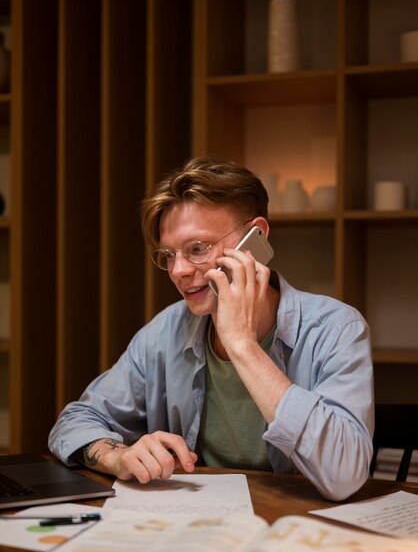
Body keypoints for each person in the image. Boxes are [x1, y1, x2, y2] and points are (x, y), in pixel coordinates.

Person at [48, 156, 374, 501]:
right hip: (198, 523)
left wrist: (243, 345)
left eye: (197, 249)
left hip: (300, 528)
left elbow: (345, 475)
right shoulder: (166, 331)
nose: (178, 271)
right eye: (169, 255)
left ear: (256, 237)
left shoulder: (335, 328)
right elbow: (75, 421)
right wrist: (116, 455)